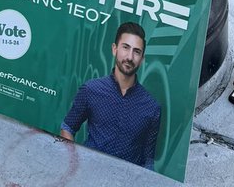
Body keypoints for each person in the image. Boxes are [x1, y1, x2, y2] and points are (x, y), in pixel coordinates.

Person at [60, 22, 162, 170]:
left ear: (142, 58)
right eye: (125, 47)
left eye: (137, 51)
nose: (130, 57)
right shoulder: (90, 90)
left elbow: (148, 161)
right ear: (114, 49)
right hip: (87, 173)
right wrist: (74, 166)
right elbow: (67, 128)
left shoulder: (152, 108)